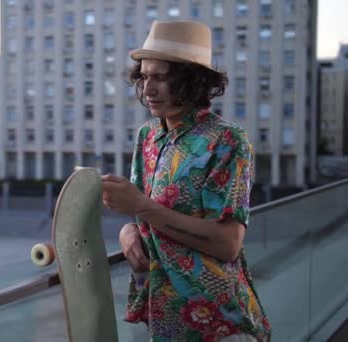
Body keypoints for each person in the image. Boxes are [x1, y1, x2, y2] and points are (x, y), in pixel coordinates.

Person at [101, 21, 271, 341]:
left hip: (219, 325)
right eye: (144, 76)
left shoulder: (227, 140)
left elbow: (228, 243)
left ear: (193, 81)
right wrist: (128, 231)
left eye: (161, 78)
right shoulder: (148, 137)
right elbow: (146, 216)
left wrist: (142, 208)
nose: (148, 89)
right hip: (166, 324)